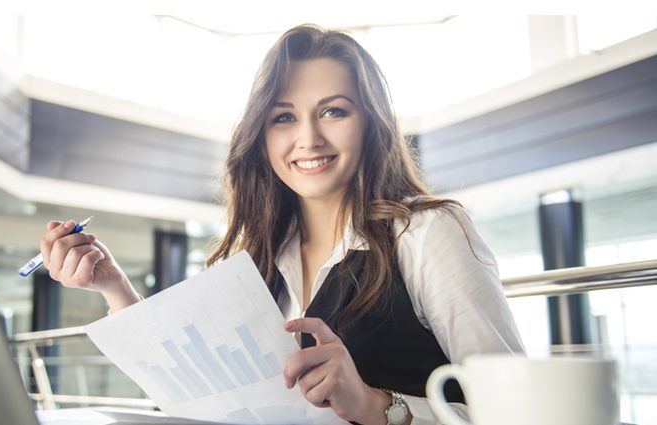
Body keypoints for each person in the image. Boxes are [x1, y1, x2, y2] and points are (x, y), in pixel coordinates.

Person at [40, 25, 524, 425]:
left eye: (334, 111)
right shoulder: (253, 258)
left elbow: (523, 412)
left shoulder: (426, 232)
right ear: (262, 135)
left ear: (371, 122)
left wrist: (376, 406)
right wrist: (115, 288)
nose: (308, 138)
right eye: (284, 117)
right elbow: (198, 387)